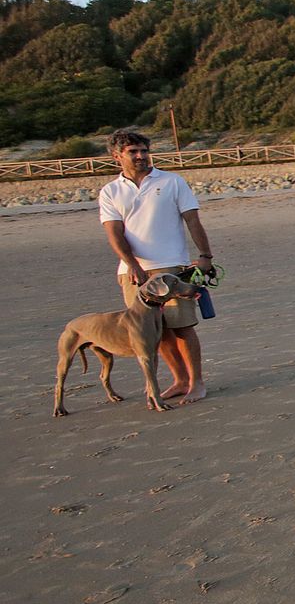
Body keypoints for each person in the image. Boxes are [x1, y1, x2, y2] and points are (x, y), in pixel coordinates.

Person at [98, 128, 215, 404]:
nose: (140, 156)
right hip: (134, 273)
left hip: (173, 267)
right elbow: (114, 233)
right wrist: (131, 265)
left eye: (144, 151)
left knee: (183, 326)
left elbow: (193, 221)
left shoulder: (173, 181)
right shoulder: (110, 191)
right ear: (117, 156)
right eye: (133, 152)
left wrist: (205, 256)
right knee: (155, 331)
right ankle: (179, 380)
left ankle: (197, 383)